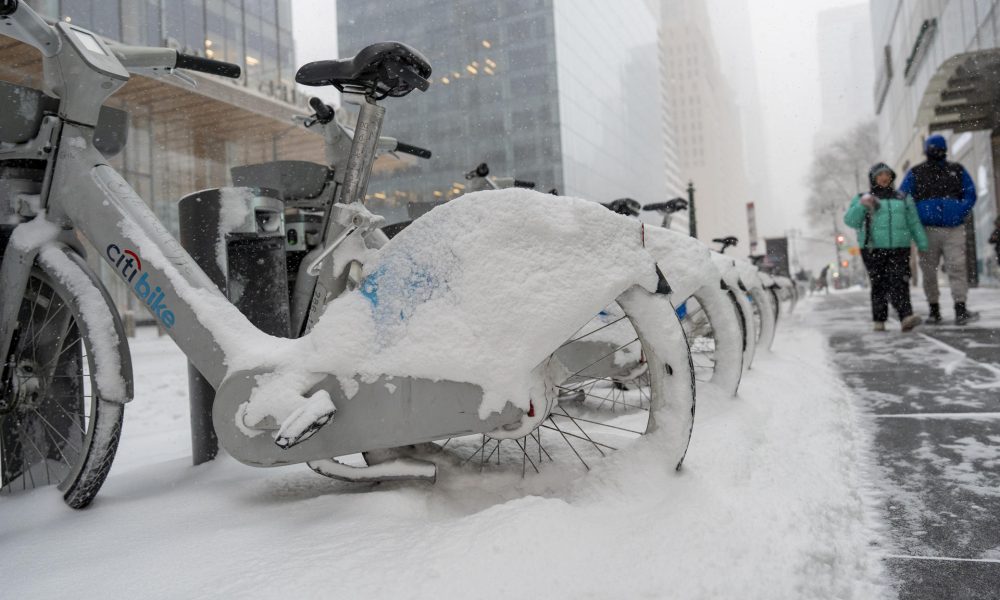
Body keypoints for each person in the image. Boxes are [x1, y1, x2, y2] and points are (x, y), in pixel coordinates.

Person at [899, 134, 978, 325]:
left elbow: (970, 193)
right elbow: (903, 197)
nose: (936, 152)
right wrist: (917, 217)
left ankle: (959, 307)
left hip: (952, 227)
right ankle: (935, 309)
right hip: (928, 229)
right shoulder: (917, 172)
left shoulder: (956, 170)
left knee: (956, 267)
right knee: (930, 271)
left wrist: (959, 210)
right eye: (933, 148)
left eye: (938, 148)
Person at [844, 163, 928, 332]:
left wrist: (922, 243)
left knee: (900, 281)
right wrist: (862, 205)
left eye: (887, 174)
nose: (884, 177)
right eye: (880, 175)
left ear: (892, 178)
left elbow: (914, 222)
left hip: (900, 246)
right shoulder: (863, 197)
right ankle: (879, 319)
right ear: (873, 178)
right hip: (872, 248)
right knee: (879, 283)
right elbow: (851, 221)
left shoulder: (903, 197)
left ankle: (906, 317)